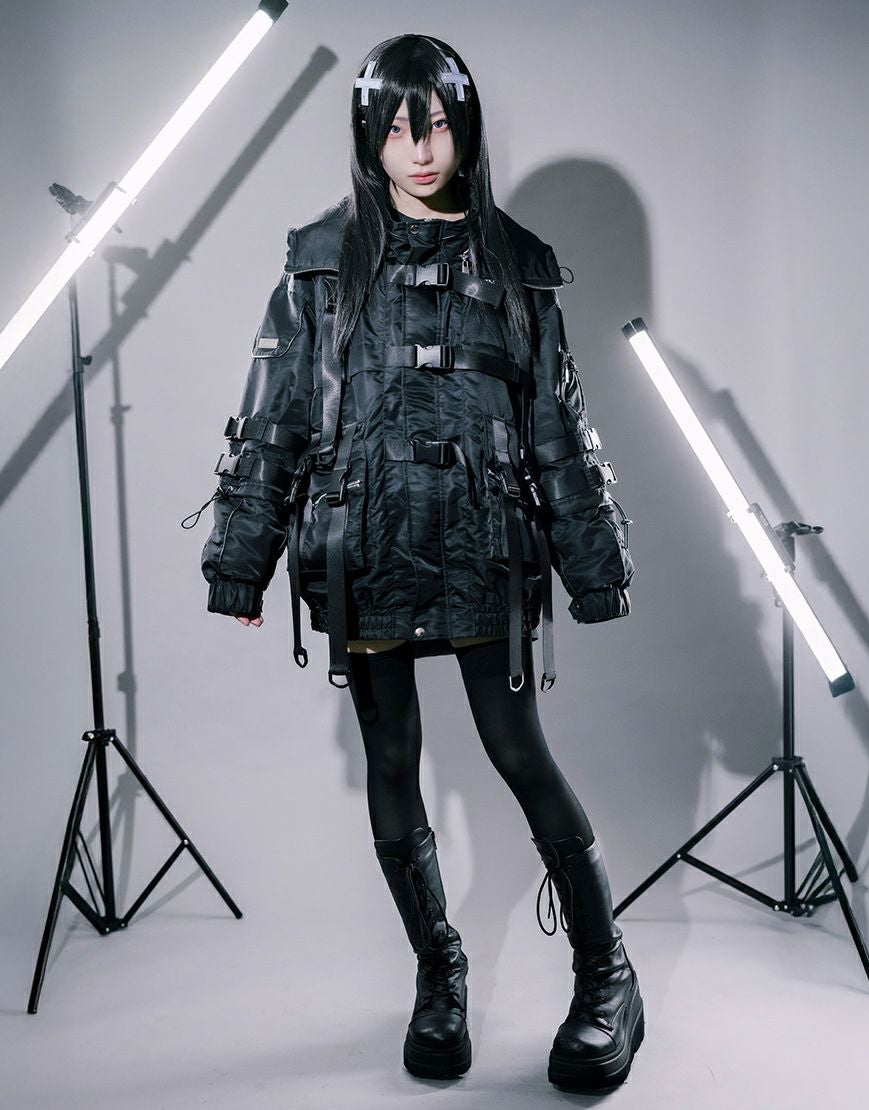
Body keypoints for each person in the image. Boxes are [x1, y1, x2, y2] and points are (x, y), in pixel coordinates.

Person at [194, 33, 643, 1093]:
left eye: (435, 124)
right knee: (392, 763)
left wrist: (595, 567)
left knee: (519, 755)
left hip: (485, 547)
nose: (420, 149)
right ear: (369, 137)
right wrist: (241, 559)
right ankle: (438, 972)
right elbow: (276, 417)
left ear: (463, 126)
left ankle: (608, 976)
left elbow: (556, 430)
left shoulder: (517, 265)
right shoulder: (319, 263)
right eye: (398, 129)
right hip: (366, 550)